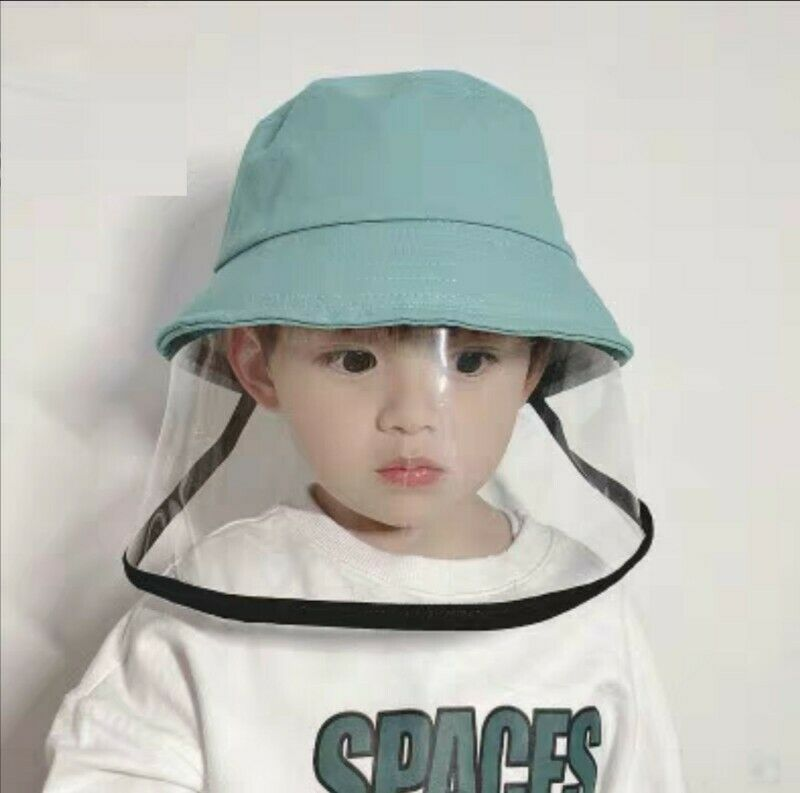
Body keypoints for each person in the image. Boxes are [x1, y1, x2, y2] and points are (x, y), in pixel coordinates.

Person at [43, 69, 687, 791]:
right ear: (257, 366)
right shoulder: (207, 612)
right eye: (354, 358)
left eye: (471, 359)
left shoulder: (586, 616)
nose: (413, 413)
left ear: (534, 366)